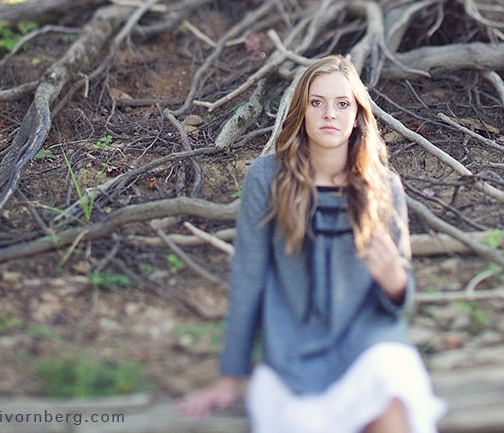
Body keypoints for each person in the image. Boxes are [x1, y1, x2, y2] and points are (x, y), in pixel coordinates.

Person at [179, 55, 445, 432]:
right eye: (316, 102)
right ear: (301, 110)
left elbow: (402, 300)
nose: (329, 114)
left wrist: (394, 281)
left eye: (342, 104)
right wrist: (230, 376)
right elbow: (247, 281)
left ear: (357, 116)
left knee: (392, 404)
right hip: (292, 351)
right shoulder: (267, 178)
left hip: (368, 343)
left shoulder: (384, 187)